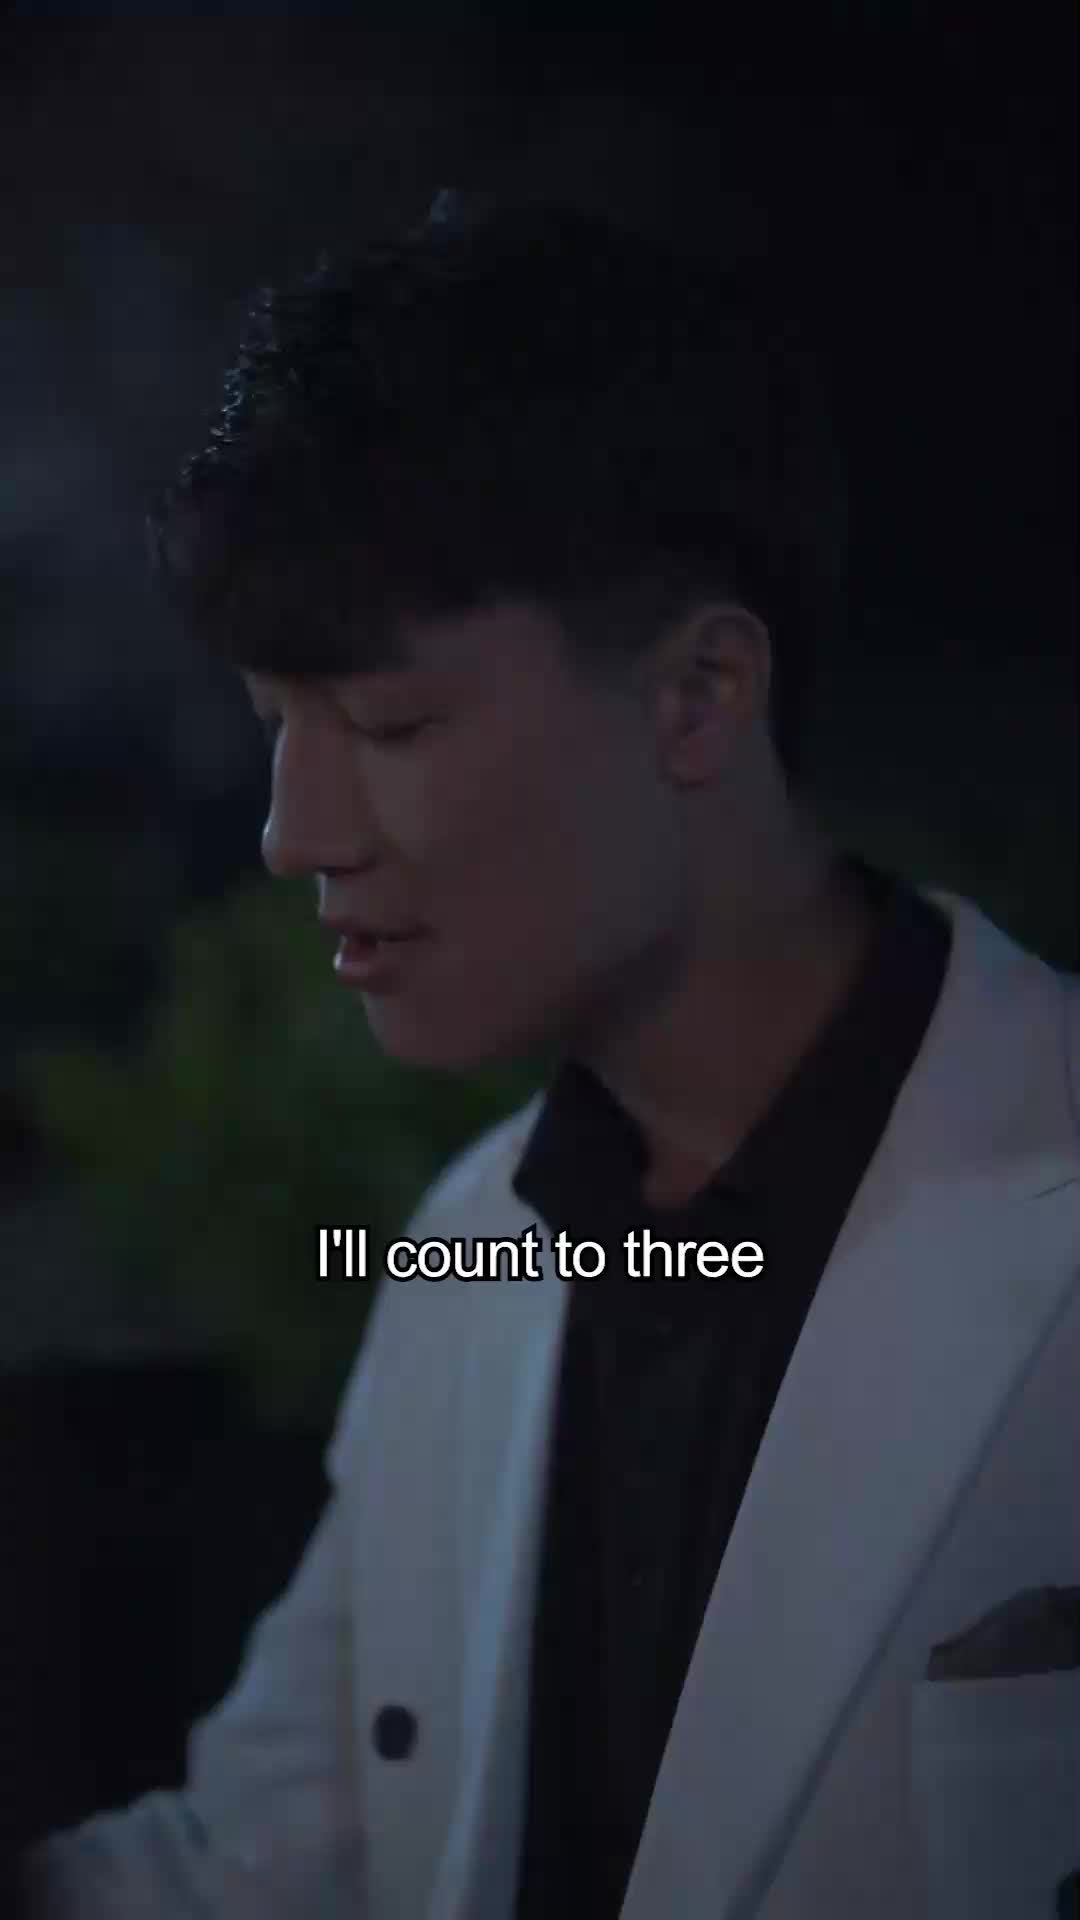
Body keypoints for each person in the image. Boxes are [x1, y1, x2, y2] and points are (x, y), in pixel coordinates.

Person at [21, 191, 1079, 1918]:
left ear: (699, 695)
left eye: (389, 722)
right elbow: (273, 1865)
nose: (295, 830)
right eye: (275, 725)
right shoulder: (466, 1253)